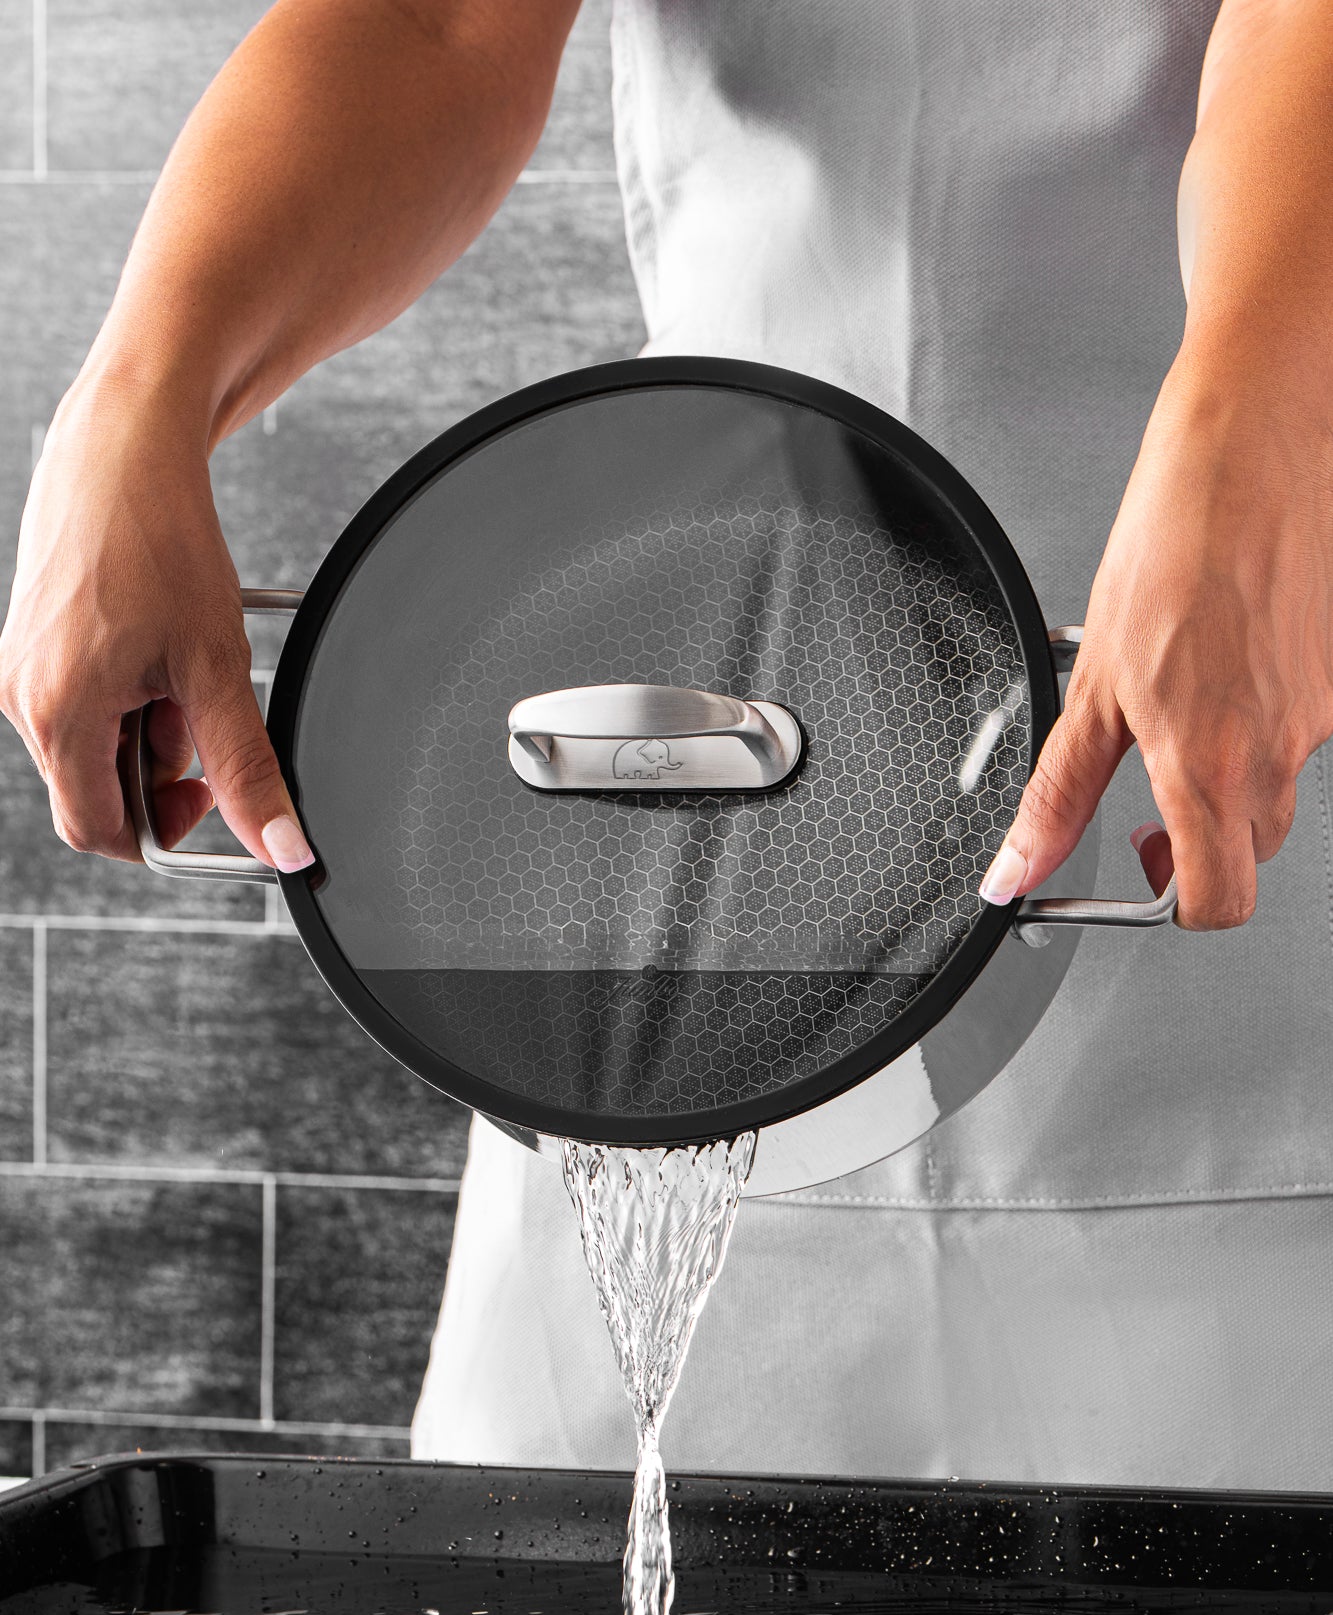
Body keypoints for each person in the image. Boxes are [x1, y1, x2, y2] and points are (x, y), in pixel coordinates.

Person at [4, 1, 1333, 1488]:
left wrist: (1263, 416)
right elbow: (438, 25)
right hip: (672, 907)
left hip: (1239, 827)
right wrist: (136, 399)